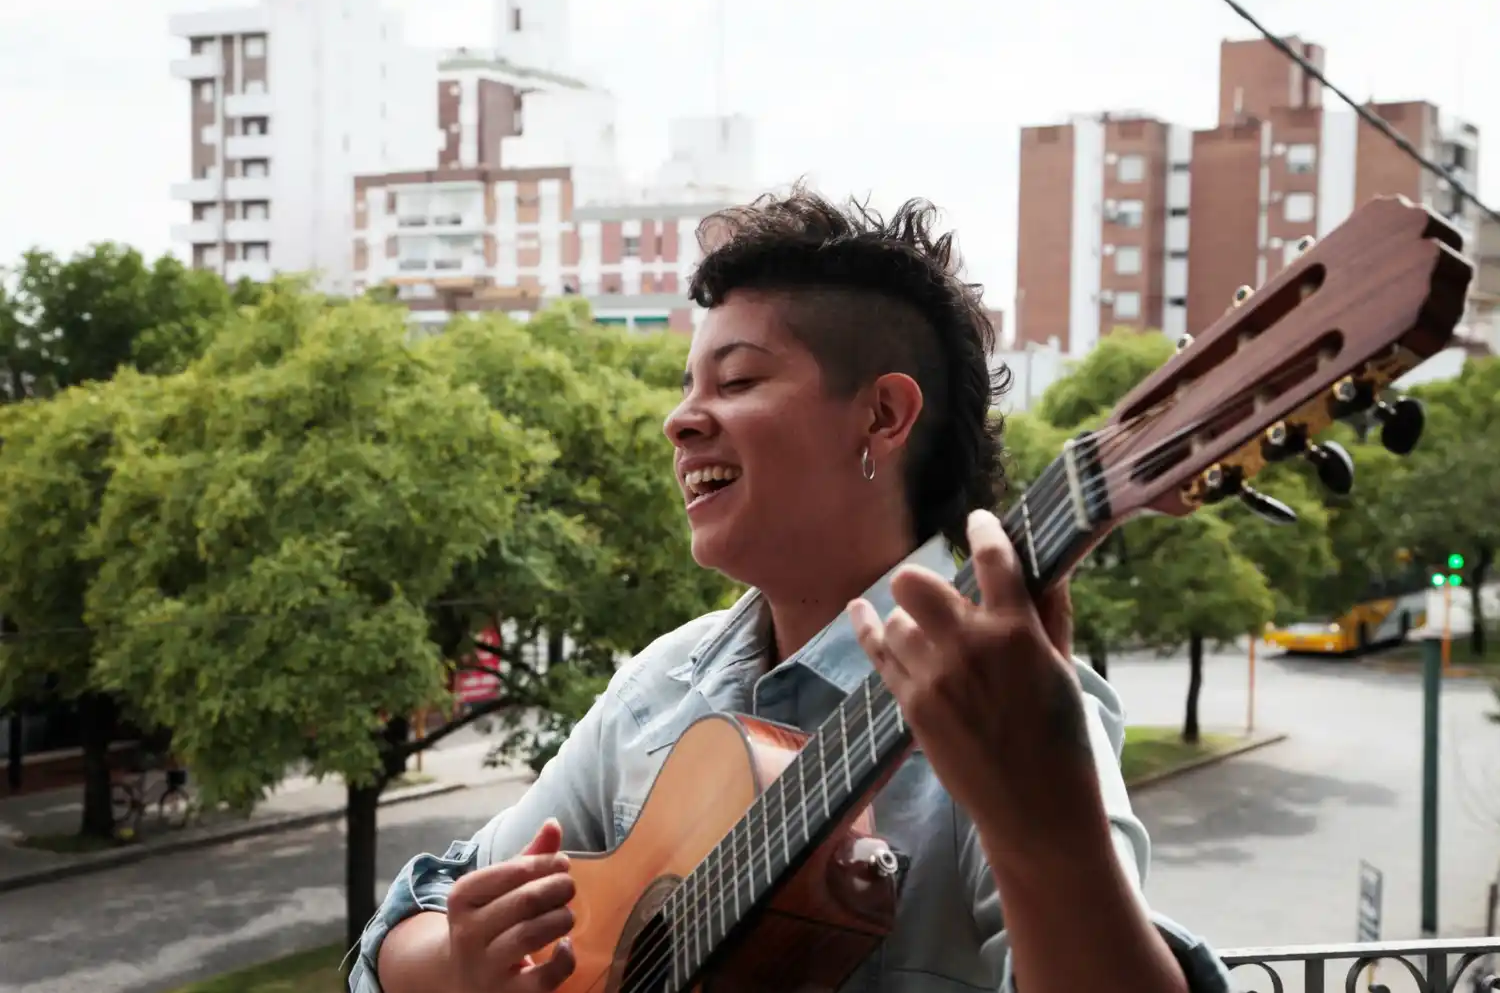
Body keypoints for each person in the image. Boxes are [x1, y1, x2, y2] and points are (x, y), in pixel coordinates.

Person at [348, 186, 1233, 993]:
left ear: (882, 416)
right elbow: (408, 921)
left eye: (736, 381)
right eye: (688, 386)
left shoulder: (1011, 708)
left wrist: (1045, 815)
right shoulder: (663, 684)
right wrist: (462, 964)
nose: (679, 419)